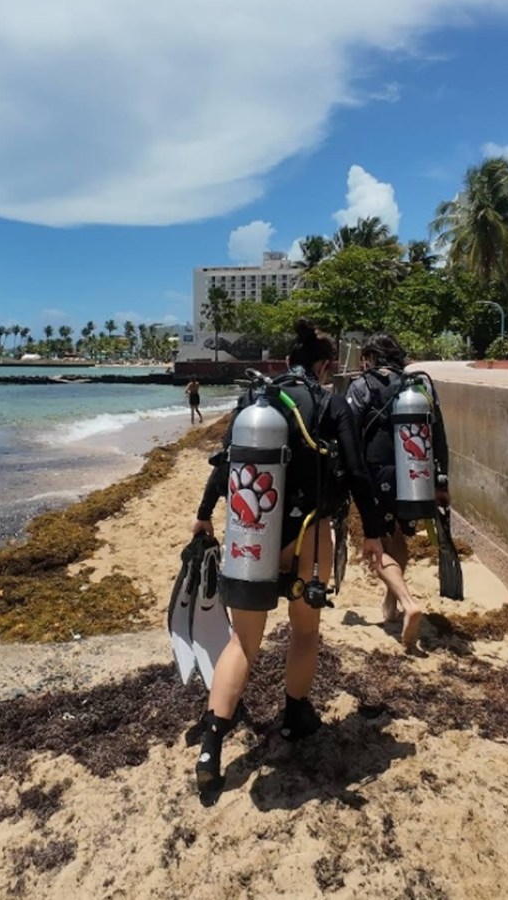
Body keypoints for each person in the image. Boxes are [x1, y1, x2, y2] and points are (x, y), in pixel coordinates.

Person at [190, 318, 384, 796]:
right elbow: (357, 472)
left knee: (243, 643)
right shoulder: (329, 401)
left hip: (253, 535)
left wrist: (203, 515)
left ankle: (211, 746)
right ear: (323, 365)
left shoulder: (256, 405)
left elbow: (226, 466)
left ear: (287, 362)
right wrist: (373, 533)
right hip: (309, 538)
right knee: (303, 632)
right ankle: (296, 715)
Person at [345, 332, 451, 650]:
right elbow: (439, 435)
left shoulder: (362, 385)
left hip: (378, 474)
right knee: (397, 538)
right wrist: (441, 483)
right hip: (415, 473)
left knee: (377, 545)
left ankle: (407, 603)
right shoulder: (420, 386)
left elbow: (349, 434)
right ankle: (390, 605)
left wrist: (347, 478)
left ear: (373, 357)